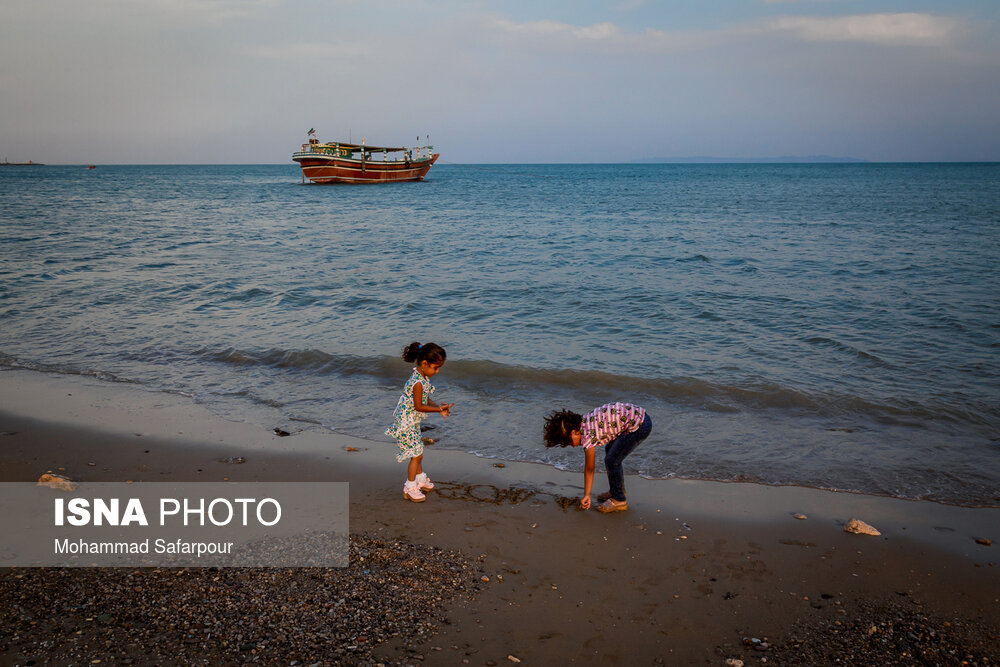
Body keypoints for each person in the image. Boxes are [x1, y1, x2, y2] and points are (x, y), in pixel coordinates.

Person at [543, 402, 651, 512]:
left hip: (639, 425)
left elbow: (590, 469)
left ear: (575, 432)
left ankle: (619, 500)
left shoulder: (587, 436)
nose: (571, 445)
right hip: (636, 417)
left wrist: (587, 495)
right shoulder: (584, 421)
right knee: (611, 452)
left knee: (612, 460)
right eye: (566, 443)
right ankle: (617, 490)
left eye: (569, 441)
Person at [385, 342, 454, 502]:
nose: (437, 371)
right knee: (415, 455)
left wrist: (438, 406)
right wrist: (438, 410)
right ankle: (409, 487)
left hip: (411, 421)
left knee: (418, 451)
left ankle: (420, 479)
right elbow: (419, 406)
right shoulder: (417, 382)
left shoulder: (422, 377)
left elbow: (425, 399)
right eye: (436, 367)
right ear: (424, 364)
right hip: (405, 423)